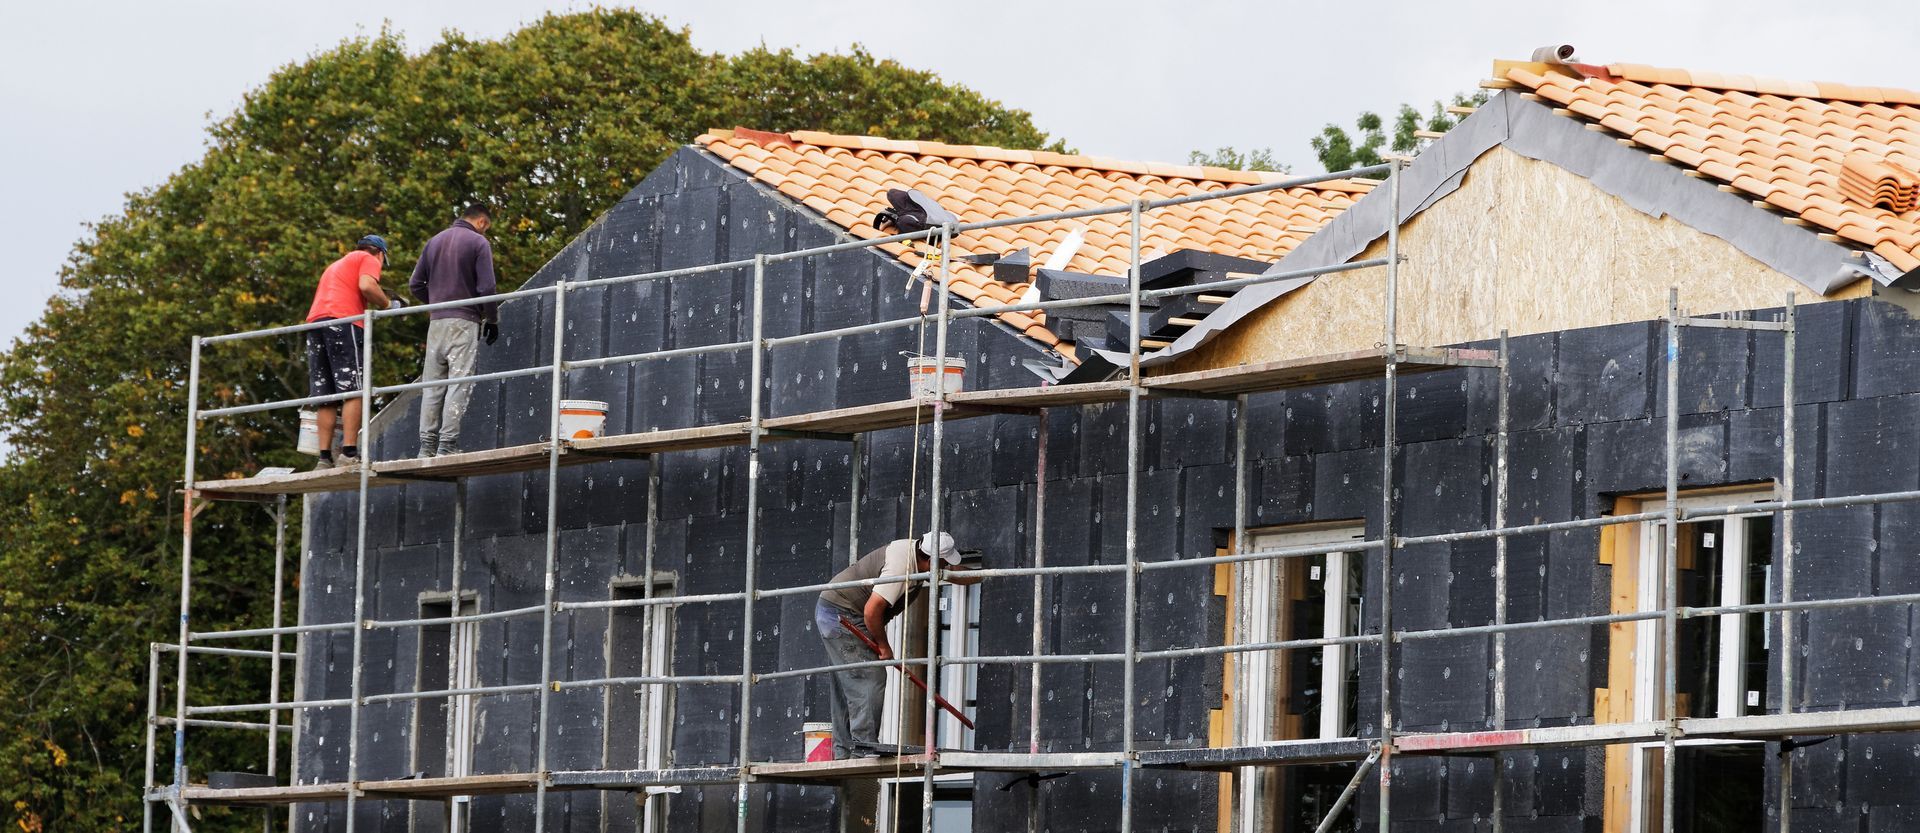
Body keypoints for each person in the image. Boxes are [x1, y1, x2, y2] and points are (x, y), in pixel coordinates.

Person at [815, 531, 980, 758]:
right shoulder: (900, 567)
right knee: (870, 679)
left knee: (849, 685)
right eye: (942, 563)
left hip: (836, 610)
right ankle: (863, 749)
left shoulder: (919, 556)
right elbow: (872, 612)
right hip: (842, 615)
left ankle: (844, 751)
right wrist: (884, 647)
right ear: (931, 561)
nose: (944, 567)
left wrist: (986, 575)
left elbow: (952, 573)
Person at [409, 202, 501, 457]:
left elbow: (415, 284)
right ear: (482, 221)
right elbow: (487, 288)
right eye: (486, 227)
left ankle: (426, 447)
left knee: (433, 385)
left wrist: (437, 304)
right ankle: (447, 446)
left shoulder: (434, 241)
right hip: (464, 322)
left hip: (436, 323)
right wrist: (491, 318)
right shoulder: (478, 242)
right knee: (459, 382)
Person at [305, 235, 399, 469]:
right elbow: (367, 285)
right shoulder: (367, 258)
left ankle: (324, 458)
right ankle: (348, 453)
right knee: (354, 389)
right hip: (343, 322)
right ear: (379, 253)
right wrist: (389, 305)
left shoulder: (337, 265)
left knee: (326, 397)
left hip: (316, 325)